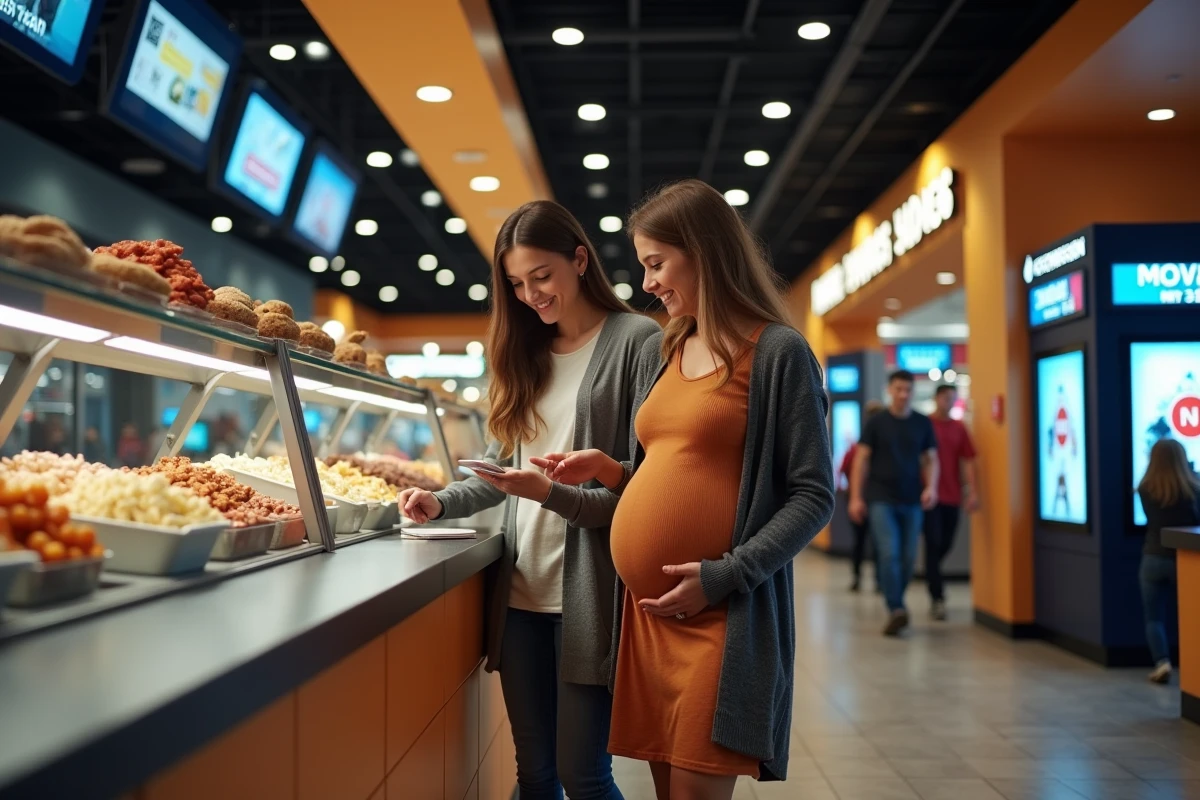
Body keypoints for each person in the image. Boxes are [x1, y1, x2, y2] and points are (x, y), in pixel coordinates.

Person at [538, 179, 834, 798]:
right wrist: (612, 469)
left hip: (722, 611)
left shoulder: (778, 353)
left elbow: (812, 495)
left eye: (656, 264)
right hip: (648, 619)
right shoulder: (670, 346)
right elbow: (669, 471)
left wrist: (725, 575)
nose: (647, 283)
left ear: (703, 253)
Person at [397, 200, 659, 800]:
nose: (531, 295)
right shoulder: (527, 353)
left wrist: (551, 493)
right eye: (516, 284)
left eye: (542, 276)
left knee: (584, 777)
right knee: (534, 776)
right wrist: (440, 502)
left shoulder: (636, 341)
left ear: (580, 260)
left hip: (592, 593)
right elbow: (500, 470)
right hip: (519, 597)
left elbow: (641, 485)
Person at [849, 370, 938, 636]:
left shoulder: (922, 422)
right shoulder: (877, 423)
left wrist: (931, 487)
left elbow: (931, 459)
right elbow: (861, 460)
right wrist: (856, 497)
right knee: (889, 553)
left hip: (912, 498)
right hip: (881, 498)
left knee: (909, 557)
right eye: (898, 389)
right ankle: (896, 608)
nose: (903, 395)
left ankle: (896, 600)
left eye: (907, 390)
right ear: (890, 390)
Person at [1136, 439, 1197, 684]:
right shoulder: (1193, 488)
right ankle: (1193, 666)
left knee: (1154, 617)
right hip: (1185, 559)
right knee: (1191, 615)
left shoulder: (1145, 488)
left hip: (1153, 557)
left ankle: (1162, 662)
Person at [924, 384, 978, 620]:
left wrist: (972, 492)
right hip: (929, 497)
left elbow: (968, 460)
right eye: (946, 397)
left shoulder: (959, 427)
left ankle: (932, 573)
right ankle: (937, 597)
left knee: (945, 543)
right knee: (933, 543)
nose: (949, 402)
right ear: (936, 398)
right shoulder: (925, 425)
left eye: (953, 399)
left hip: (952, 495)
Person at [841, 400, 885, 592]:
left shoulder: (856, 447)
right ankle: (870, 579)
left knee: (865, 541)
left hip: (870, 498)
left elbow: (843, 470)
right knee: (870, 541)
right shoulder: (858, 448)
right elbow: (845, 469)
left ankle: (863, 578)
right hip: (865, 498)